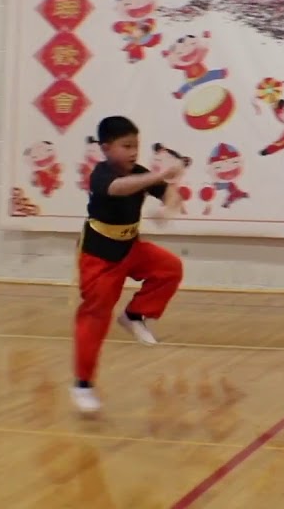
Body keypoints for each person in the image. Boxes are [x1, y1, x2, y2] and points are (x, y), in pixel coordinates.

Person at [71, 115, 186, 414]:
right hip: (99, 257)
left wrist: (168, 206)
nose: (134, 152)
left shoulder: (139, 172)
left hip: (130, 247)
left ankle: (135, 314)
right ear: (107, 148)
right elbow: (122, 188)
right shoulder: (101, 175)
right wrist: (161, 176)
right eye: (126, 146)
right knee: (95, 316)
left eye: (136, 145)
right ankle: (82, 384)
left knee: (169, 268)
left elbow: (169, 191)